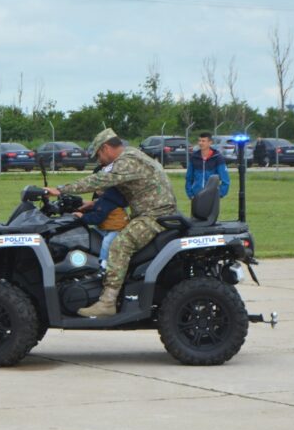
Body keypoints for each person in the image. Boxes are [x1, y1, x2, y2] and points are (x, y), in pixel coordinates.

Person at [45, 128, 177, 318]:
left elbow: (100, 180)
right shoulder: (132, 156)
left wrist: (60, 190)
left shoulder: (127, 161)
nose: (99, 161)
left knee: (120, 244)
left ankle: (107, 302)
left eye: (99, 155)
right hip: (150, 212)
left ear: (106, 148)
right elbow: (125, 195)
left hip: (155, 216)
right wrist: (94, 204)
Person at [72, 183, 129, 265]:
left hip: (117, 229)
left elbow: (97, 218)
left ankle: (103, 262)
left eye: (98, 188)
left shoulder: (107, 202)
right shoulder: (107, 199)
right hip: (107, 227)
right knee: (92, 233)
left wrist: (82, 216)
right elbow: (98, 210)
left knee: (107, 242)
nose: (96, 191)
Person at [185, 132, 230, 199]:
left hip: (212, 196)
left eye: (203, 141)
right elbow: (189, 178)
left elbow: (225, 179)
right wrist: (190, 194)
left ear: (210, 142)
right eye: (199, 141)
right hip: (196, 195)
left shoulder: (217, 158)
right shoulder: (194, 157)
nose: (200, 143)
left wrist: (220, 194)